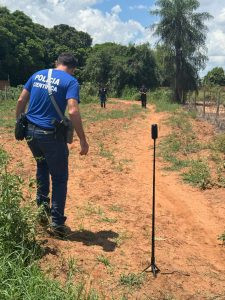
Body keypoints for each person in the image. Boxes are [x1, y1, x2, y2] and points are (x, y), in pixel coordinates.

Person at [16, 52, 89, 237]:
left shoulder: (37, 74)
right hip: (51, 136)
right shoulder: (71, 81)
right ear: (73, 69)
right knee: (59, 178)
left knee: (42, 167)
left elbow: (20, 100)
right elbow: (72, 110)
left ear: (57, 63)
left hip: (30, 133)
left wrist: (19, 122)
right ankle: (56, 224)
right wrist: (82, 139)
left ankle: (41, 214)